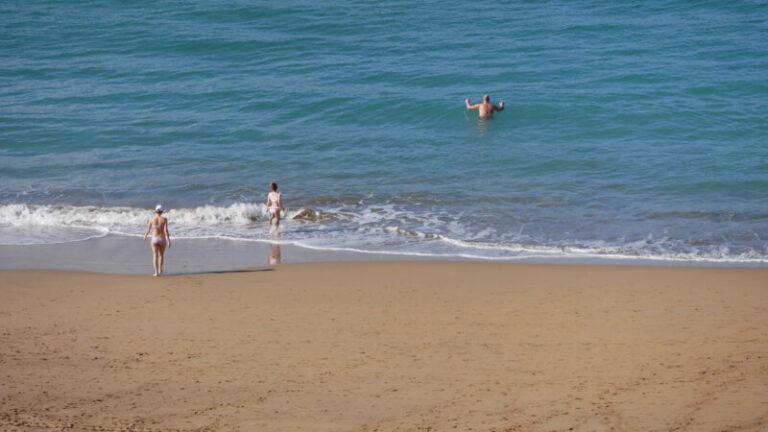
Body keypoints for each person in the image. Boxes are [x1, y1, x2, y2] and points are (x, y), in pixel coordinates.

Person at [142, 204, 171, 276]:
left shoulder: (152, 219)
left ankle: (156, 272)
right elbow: (166, 231)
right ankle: (160, 269)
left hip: (154, 238)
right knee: (161, 255)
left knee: (155, 255)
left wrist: (145, 236)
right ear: (162, 211)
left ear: (156, 211)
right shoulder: (164, 219)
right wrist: (168, 240)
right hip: (162, 238)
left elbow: (148, 230)